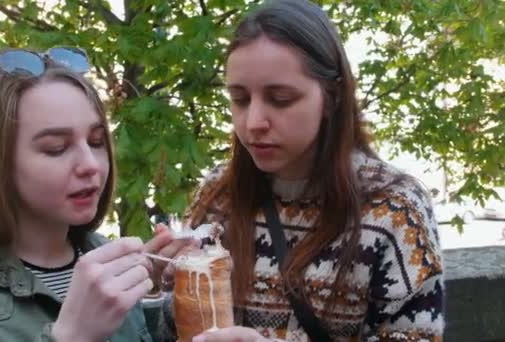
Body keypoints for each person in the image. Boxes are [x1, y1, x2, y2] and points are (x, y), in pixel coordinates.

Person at [181, 1, 444, 341]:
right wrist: (170, 283)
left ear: (332, 97)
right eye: (240, 99)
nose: (253, 122)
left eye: (280, 99)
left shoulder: (394, 212)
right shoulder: (219, 193)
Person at [0, 47, 188, 341]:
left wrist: (181, 316)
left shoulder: (105, 258)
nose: (90, 165)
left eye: (96, 141)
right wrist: (71, 336)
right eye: (56, 148)